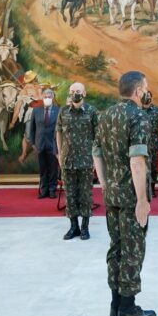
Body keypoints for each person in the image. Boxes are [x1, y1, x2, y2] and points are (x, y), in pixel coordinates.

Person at [93, 71, 156, 316]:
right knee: (132, 251)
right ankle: (128, 311)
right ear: (139, 90)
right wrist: (142, 200)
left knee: (116, 249)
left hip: (112, 195)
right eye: (146, 87)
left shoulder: (106, 115)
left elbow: (96, 152)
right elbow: (137, 161)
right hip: (131, 196)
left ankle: (115, 306)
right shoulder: (138, 116)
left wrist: (105, 183)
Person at [56, 82, 98, 240]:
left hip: (86, 160)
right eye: (72, 91)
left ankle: (85, 227)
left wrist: (96, 158)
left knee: (86, 195)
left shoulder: (92, 112)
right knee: (70, 195)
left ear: (84, 93)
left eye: (78, 91)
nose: (75, 93)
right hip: (67, 160)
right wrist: (60, 154)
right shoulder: (63, 111)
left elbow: (98, 137)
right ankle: (73, 227)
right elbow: (59, 132)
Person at [30, 89, 60, 199]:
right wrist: (32, 142)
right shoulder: (36, 110)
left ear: (53, 98)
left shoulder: (58, 110)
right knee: (43, 169)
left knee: (53, 169)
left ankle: (52, 190)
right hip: (40, 144)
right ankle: (44, 190)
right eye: (46, 96)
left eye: (50, 96)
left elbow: (60, 130)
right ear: (42, 97)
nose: (48, 98)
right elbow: (32, 128)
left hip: (53, 144)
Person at [139, 90, 158, 198]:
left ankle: (152, 189)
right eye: (144, 96)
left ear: (151, 97)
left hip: (153, 144)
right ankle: (141, 190)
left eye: (148, 96)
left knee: (153, 168)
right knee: (140, 167)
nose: (146, 98)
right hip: (139, 144)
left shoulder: (157, 110)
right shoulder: (137, 110)